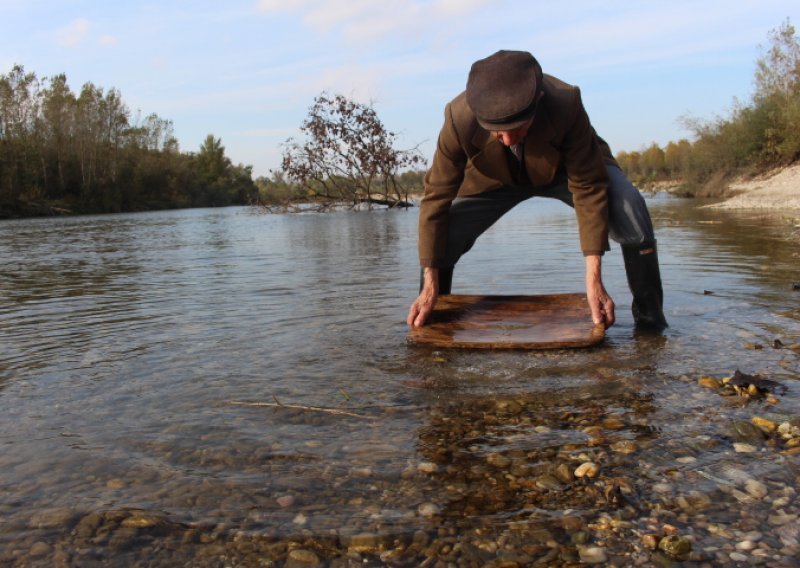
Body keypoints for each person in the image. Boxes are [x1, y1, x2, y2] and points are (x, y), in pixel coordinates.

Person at [406, 50, 667, 331]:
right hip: (494, 179)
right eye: (497, 132)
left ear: (539, 102)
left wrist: (594, 281)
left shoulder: (566, 102)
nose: (507, 140)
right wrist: (429, 283)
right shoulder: (458, 116)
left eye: (516, 128)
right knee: (445, 231)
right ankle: (435, 317)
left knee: (631, 207)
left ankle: (650, 322)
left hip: (565, 170)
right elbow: (436, 196)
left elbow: (588, 187)